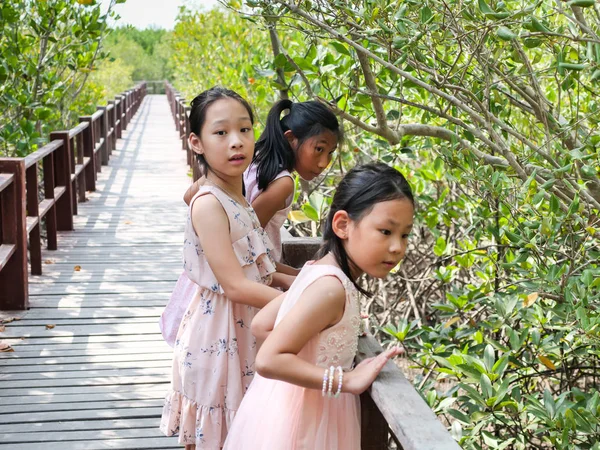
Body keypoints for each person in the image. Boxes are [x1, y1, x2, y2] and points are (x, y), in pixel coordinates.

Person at [223, 162, 415, 450]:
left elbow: (263, 325)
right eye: (386, 231)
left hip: (281, 409)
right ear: (342, 225)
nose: (397, 247)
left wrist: (322, 338)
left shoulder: (315, 270)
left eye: (405, 235)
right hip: (309, 422)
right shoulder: (331, 289)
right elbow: (269, 360)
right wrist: (344, 380)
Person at [159, 87, 290, 449]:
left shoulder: (238, 196)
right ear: (196, 142)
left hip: (247, 329)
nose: (236, 142)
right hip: (219, 336)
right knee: (219, 432)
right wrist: (297, 305)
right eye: (221, 132)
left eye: (245, 130)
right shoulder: (208, 204)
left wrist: (308, 279)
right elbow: (234, 285)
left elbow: (261, 268)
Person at [161, 99, 342, 346]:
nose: (323, 163)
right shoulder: (283, 182)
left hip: (217, 276)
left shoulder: (242, 159)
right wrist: (298, 284)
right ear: (291, 139)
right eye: (319, 149)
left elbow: (188, 196)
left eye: (330, 153)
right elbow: (248, 246)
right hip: (241, 285)